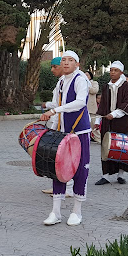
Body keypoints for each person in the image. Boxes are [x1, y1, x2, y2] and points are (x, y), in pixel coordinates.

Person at [38, 51, 91, 226]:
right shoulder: (61, 81)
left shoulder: (81, 79)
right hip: (62, 131)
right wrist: (50, 116)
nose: (66, 63)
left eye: (70, 60)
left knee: (80, 170)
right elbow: (58, 104)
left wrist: (55, 110)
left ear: (77, 64)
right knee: (58, 170)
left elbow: (80, 102)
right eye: (64, 60)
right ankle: (55, 212)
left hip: (79, 132)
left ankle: (77, 211)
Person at [95, 61, 128, 185]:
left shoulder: (126, 86)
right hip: (107, 123)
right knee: (106, 147)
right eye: (111, 70)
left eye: (115, 70)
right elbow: (102, 105)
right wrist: (98, 120)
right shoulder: (106, 86)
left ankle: (120, 174)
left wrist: (114, 114)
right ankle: (105, 175)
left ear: (121, 72)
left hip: (122, 122)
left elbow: (127, 103)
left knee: (122, 147)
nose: (112, 72)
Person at [41, 56, 73, 196]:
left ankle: (69, 188)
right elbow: (56, 103)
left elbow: (64, 105)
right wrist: (48, 106)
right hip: (57, 122)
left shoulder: (70, 80)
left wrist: (51, 109)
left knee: (66, 156)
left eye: (55, 67)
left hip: (65, 124)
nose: (52, 70)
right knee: (56, 157)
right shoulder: (60, 82)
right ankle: (58, 186)